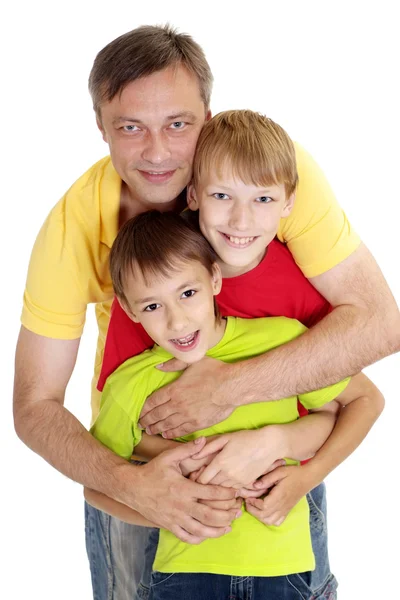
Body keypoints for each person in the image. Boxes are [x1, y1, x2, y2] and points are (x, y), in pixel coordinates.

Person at [13, 24, 398, 600]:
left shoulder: (269, 174)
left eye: (178, 124)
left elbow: (378, 324)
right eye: (130, 128)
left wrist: (251, 414)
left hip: (276, 454)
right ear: (100, 128)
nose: (159, 152)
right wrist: (134, 485)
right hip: (139, 463)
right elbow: (34, 403)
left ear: (209, 116)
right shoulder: (73, 228)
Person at [85, 209, 383, 600]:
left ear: (213, 279)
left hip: (284, 567)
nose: (176, 322)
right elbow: (96, 486)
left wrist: (305, 479)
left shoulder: (282, 341)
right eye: (153, 306)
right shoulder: (132, 382)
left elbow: (361, 403)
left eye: (187, 293)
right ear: (128, 309)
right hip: (184, 574)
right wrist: (165, 513)